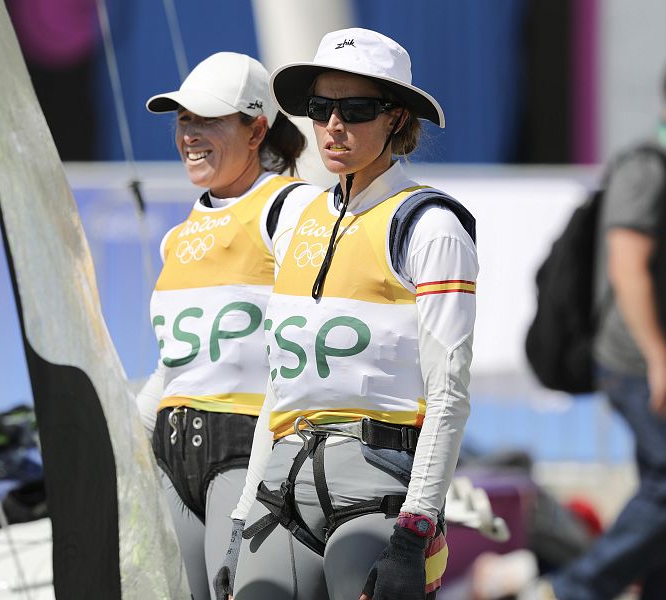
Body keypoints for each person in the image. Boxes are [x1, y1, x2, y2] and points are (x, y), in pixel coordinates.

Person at [212, 29, 478, 600]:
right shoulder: (295, 218)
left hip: (377, 486)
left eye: (356, 109)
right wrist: (239, 519)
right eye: (321, 108)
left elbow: (449, 394)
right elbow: (280, 388)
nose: (334, 126)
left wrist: (415, 531)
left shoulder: (431, 226)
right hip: (280, 487)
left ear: (396, 119)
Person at [136, 51, 324, 600]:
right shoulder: (178, 235)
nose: (189, 133)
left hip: (244, 445)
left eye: (207, 119)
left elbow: (307, 339)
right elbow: (173, 368)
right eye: (183, 118)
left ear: (256, 127)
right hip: (171, 452)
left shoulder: (291, 206)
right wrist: (120, 439)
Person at [540, 70, 666, 600]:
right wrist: (659, 358)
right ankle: (574, 589)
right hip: (636, 360)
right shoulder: (647, 168)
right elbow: (627, 267)